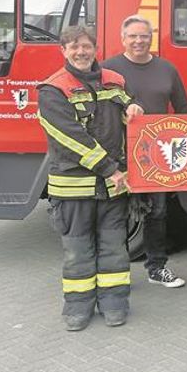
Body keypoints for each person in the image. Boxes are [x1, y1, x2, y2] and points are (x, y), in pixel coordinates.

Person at [38, 26, 142, 331]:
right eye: (73, 47)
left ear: (95, 48)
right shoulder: (52, 89)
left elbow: (127, 107)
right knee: (78, 251)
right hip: (75, 187)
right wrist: (111, 169)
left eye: (85, 46)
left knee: (114, 249)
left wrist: (135, 108)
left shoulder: (115, 80)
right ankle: (78, 307)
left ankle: (114, 303)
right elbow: (70, 139)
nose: (80, 52)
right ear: (63, 51)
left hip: (113, 187)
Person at [103, 15, 187, 288]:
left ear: (151, 38)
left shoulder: (166, 69)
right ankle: (112, 274)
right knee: (114, 215)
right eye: (133, 36)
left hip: (157, 156)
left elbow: (184, 109)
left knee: (158, 214)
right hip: (118, 155)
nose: (138, 41)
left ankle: (157, 268)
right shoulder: (108, 70)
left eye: (144, 36)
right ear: (123, 38)